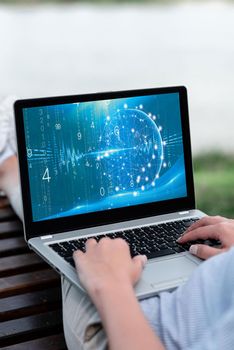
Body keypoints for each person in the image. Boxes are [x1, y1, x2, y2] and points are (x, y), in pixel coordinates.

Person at [1, 96, 234, 349]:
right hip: (209, 284)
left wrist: (111, 284)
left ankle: (8, 166)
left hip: (124, 324)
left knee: (64, 231)